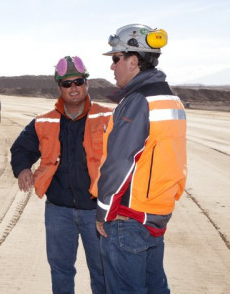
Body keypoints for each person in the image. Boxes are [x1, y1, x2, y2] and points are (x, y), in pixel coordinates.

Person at [94, 24, 187, 293]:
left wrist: (103, 210)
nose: (112, 67)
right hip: (155, 215)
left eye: (115, 58)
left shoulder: (138, 101)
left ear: (133, 61)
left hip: (128, 218)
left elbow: (121, 162)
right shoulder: (172, 100)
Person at [10, 56, 112, 294]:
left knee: (102, 270)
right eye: (67, 84)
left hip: (96, 211)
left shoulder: (107, 117)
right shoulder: (44, 121)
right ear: (59, 88)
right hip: (58, 211)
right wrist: (23, 168)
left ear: (87, 84)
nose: (73, 88)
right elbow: (20, 148)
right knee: (61, 270)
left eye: (78, 81)